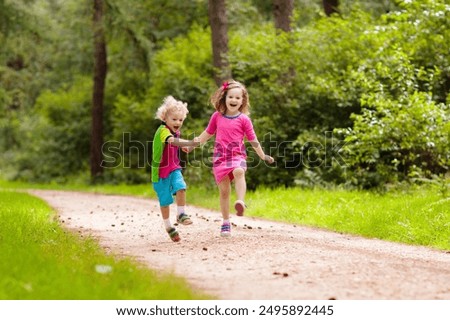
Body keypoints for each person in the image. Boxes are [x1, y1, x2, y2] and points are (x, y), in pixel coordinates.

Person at [195, 80, 274, 237]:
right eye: (231, 97)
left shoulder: (244, 119)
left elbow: (253, 139)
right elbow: (207, 134)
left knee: (239, 171)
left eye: (238, 98)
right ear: (224, 98)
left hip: (237, 155)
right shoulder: (217, 116)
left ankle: (240, 201)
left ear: (242, 101)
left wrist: (263, 155)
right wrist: (191, 145)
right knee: (224, 192)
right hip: (220, 158)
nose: (234, 100)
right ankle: (225, 223)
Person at [151, 96, 200, 242]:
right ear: (165, 118)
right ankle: (168, 226)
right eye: (174, 119)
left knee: (181, 187)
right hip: (160, 173)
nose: (178, 122)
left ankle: (181, 214)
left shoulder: (175, 133)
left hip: (173, 168)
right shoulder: (163, 131)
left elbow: (179, 145)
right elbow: (171, 141)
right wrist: (190, 141)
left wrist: (188, 146)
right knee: (165, 202)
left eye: (180, 120)